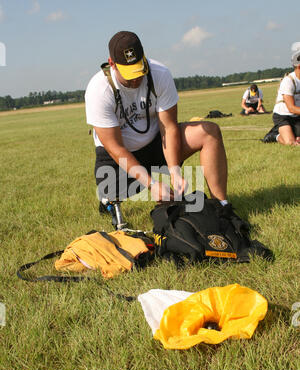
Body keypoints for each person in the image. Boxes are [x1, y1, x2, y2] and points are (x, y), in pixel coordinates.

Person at [85, 31, 248, 230]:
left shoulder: (159, 74)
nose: (136, 81)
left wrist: (174, 171)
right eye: (129, 75)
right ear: (112, 63)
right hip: (117, 157)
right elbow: (115, 147)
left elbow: (169, 127)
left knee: (209, 131)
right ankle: (108, 200)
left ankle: (222, 206)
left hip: (155, 143)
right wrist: (152, 184)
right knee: (110, 188)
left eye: (139, 71)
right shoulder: (99, 89)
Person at [264, 42, 300, 145]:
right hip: (283, 115)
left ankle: (291, 133)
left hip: (297, 116)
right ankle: (274, 136)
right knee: (290, 142)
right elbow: (291, 108)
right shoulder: (289, 81)